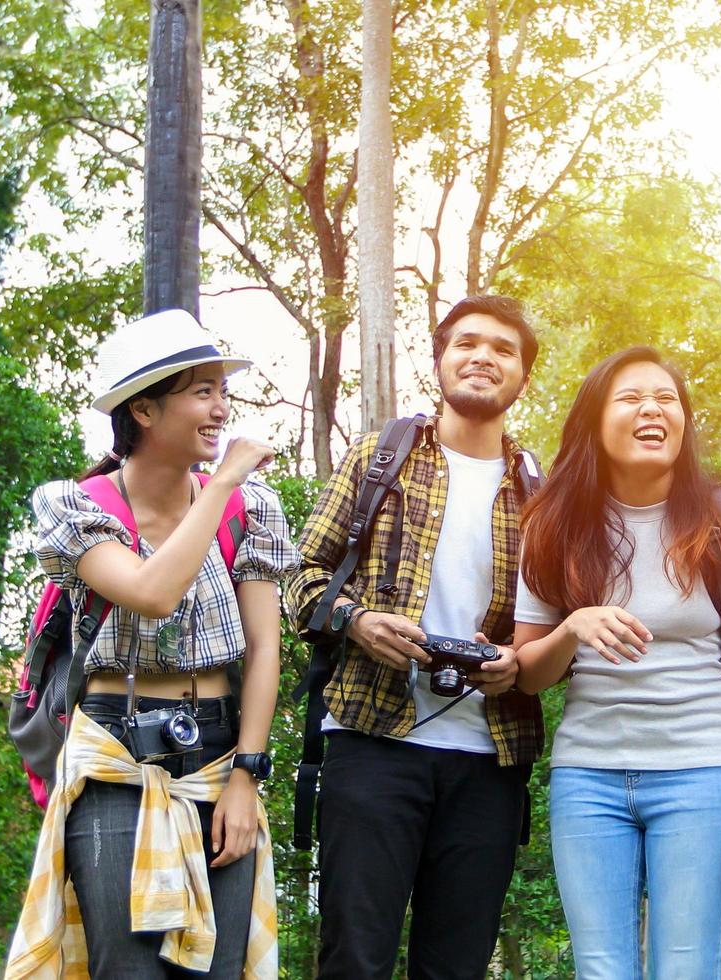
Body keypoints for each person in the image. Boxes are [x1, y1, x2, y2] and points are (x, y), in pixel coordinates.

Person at [6, 308, 296, 978]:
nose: (221, 408)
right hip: (112, 752)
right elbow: (150, 591)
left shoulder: (253, 510)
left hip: (220, 750)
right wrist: (220, 482)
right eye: (202, 392)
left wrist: (248, 774)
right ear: (142, 409)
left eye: (223, 392)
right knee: (127, 968)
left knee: (219, 970)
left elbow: (263, 649)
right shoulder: (73, 507)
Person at [285, 295, 544, 979]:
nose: (482, 356)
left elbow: (558, 625)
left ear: (523, 376)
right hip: (372, 741)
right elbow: (301, 579)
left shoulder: (540, 490)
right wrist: (357, 621)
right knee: (353, 959)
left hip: (489, 759)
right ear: (439, 361)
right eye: (466, 343)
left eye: (502, 348)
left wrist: (516, 662)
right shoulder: (381, 457)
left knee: (455, 967)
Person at [512, 346, 721, 980]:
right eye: (630, 398)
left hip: (700, 772)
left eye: (666, 399)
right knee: (601, 970)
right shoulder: (552, 521)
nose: (652, 409)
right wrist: (573, 627)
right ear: (594, 422)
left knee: (687, 969)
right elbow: (527, 672)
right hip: (589, 778)